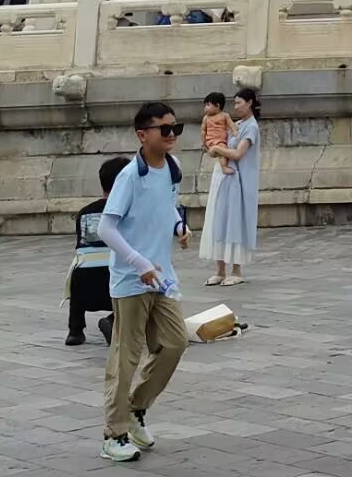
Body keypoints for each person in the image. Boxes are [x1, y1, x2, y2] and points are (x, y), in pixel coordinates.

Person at [97, 101, 191, 463]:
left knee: (175, 342)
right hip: (131, 280)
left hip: (162, 277)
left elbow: (168, 207)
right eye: (164, 129)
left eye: (175, 128)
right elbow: (107, 227)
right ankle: (114, 434)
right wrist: (139, 263)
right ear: (142, 135)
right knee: (126, 357)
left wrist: (179, 227)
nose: (171, 134)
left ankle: (136, 408)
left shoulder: (173, 167)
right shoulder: (129, 177)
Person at [201, 89, 261, 287]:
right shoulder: (238, 124)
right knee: (218, 221)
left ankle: (236, 270)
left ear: (250, 103)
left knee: (234, 223)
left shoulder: (251, 127)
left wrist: (218, 149)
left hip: (238, 181)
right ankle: (220, 270)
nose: (235, 107)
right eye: (234, 103)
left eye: (239, 103)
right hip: (223, 179)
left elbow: (238, 154)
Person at [67, 157, 124, 347]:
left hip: (83, 287)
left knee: (80, 269)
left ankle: (75, 331)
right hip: (114, 283)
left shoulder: (84, 212)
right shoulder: (126, 211)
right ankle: (113, 320)